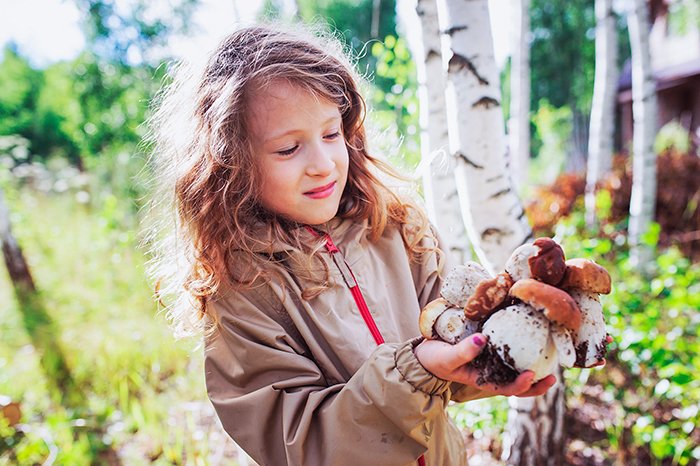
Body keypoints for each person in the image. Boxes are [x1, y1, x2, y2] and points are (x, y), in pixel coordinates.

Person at [146, 23, 556, 466]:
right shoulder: (242, 289)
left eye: (330, 134)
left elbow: (453, 345)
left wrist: (503, 351)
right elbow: (300, 443)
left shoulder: (395, 229)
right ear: (231, 164)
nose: (323, 165)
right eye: (288, 149)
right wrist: (417, 371)